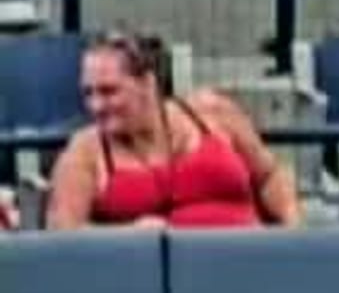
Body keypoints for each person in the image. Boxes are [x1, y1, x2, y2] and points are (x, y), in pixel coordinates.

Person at [45, 29, 300, 230]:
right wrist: (124, 237)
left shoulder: (212, 113)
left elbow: (270, 175)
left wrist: (292, 226)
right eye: (88, 93)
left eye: (109, 91)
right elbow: (64, 234)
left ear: (147, 83)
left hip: (245, 261)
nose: (96, 105)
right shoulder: (85, 152)